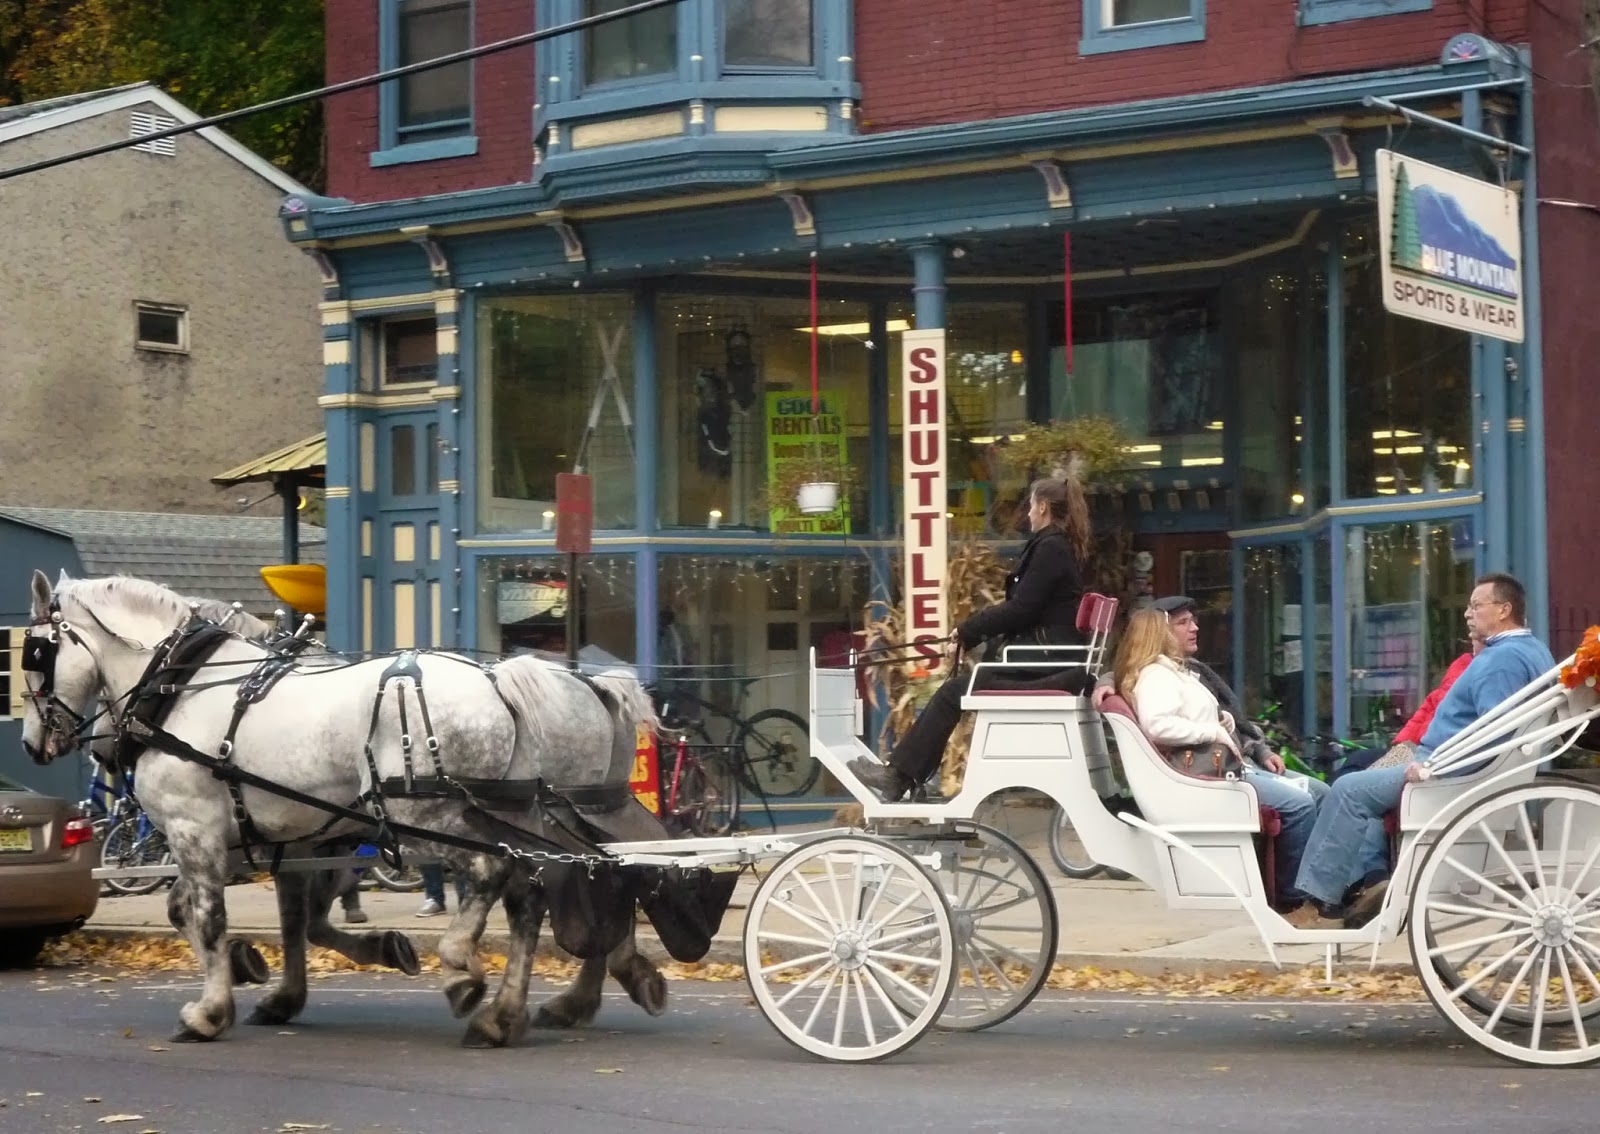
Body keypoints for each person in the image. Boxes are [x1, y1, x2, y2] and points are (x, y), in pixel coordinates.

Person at [1284, 573, 1554, 928]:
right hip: (1450, 764)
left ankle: (1319, 906)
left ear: (1504, 610)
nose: (1467, 614)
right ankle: (1366, 882)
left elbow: (1493, 733)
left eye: (1476, 605)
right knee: (1362, 776)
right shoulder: (1533, 650)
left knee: (1348, 789)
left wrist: (1434, 765)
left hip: (1448, 770)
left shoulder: (1501, 660)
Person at [849, 474, 1096, 801]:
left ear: (1043, 507)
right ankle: (907, 776)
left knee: (953, 691)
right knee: (958, 687)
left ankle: (898, 776)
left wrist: (968, 630)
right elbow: (1026, 610)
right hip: (1051, 661)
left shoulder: (1051, 548)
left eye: (1032, 506)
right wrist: (974, 633)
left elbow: (1022, 608)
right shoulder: (1057, 547)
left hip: (1044, 665)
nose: (1029, 513)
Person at [1108, 605, 1332, 909]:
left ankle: (1327, 887)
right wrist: (1210, 732)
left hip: (1230, 766)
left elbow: (1202, 716)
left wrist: (1223, 722)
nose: (1194, 627)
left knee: (1321, 793)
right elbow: (1158, 724)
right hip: (1208, 775)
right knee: (1300, 804)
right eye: (1181, 623)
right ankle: (1294, 900)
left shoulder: (1179, 671)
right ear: (1159, 634)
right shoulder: (1157, 675)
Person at [1331, 630, 1484, 781]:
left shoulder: (1479, 670)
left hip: (1430, 753)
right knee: (1356, 761)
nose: (1471, 640)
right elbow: (1429, 706)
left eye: (1477, 637)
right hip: (1415, 745)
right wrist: (1402, 741)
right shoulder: (1462, 664)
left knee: (1350, 786)